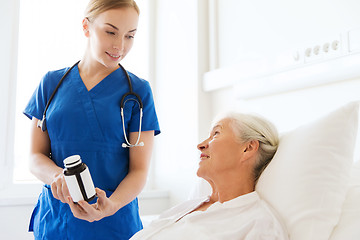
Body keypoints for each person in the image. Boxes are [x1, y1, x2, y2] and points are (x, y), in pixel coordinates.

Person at [23, 0, 160, 239]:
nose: (120, 45)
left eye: (130, 36)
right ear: (86, 27)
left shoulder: (138, 92)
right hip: (58, 222)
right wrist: (57, 176)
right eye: (110, 32)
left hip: (115, 224)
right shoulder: (51, 84)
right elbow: (35, 156)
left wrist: (112, 205)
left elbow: (139, 171)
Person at [130, 112, 289, 240]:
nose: (200, 145)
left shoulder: (259, 225)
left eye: (216, 133)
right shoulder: (188, 207)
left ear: (248, 148)